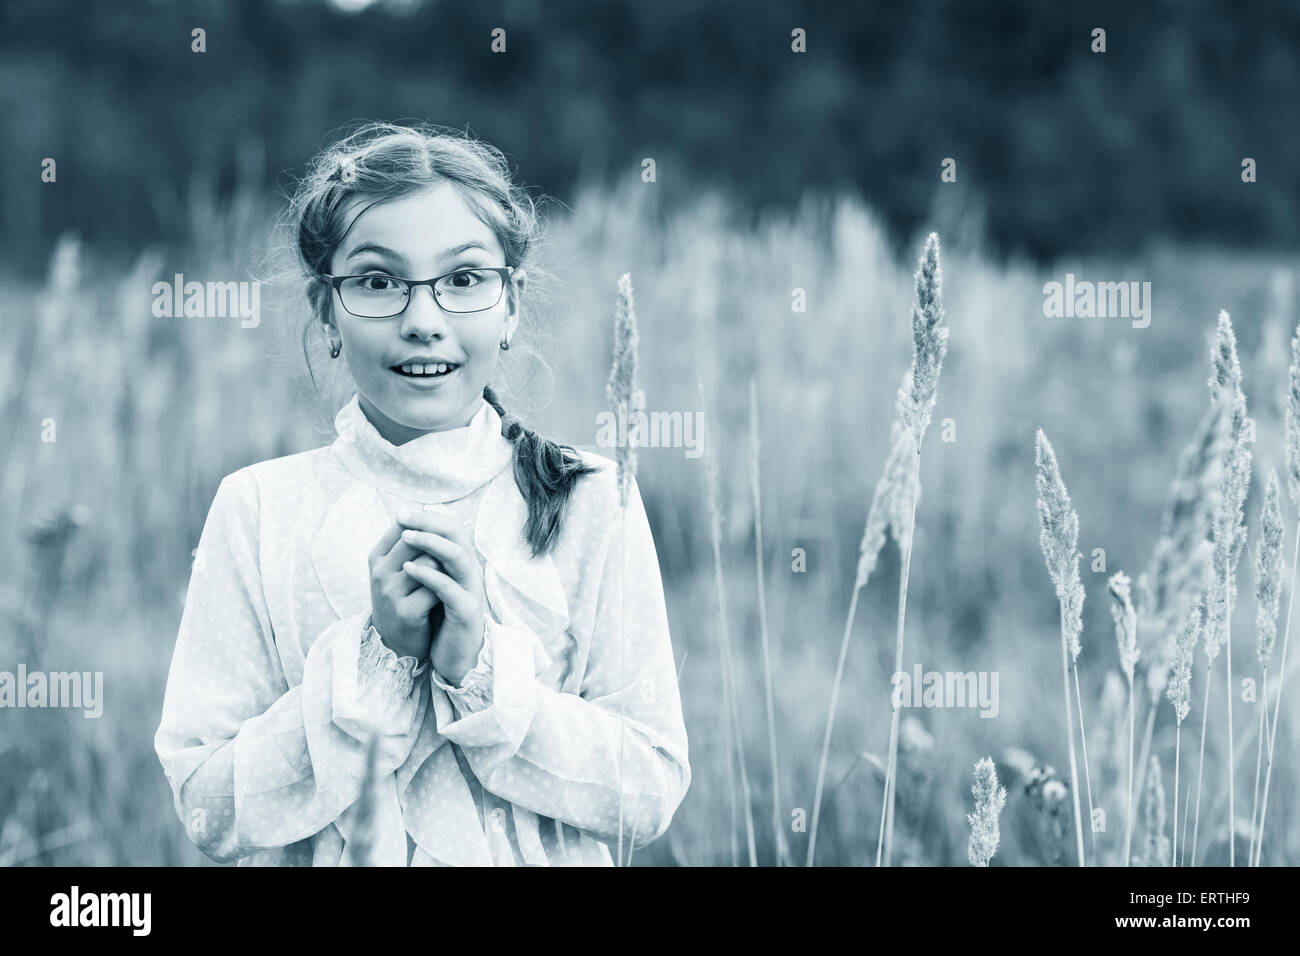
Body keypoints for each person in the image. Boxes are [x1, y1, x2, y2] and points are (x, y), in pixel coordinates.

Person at [154, 122, 690, 866]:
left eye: (463, 280)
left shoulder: (593, 500)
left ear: (510, 304)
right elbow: (208, 807)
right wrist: (376, 661)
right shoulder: (258, 510)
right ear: (325, 309)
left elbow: (648, 795)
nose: (423, 322)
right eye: (378, 282)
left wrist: (481, 676)